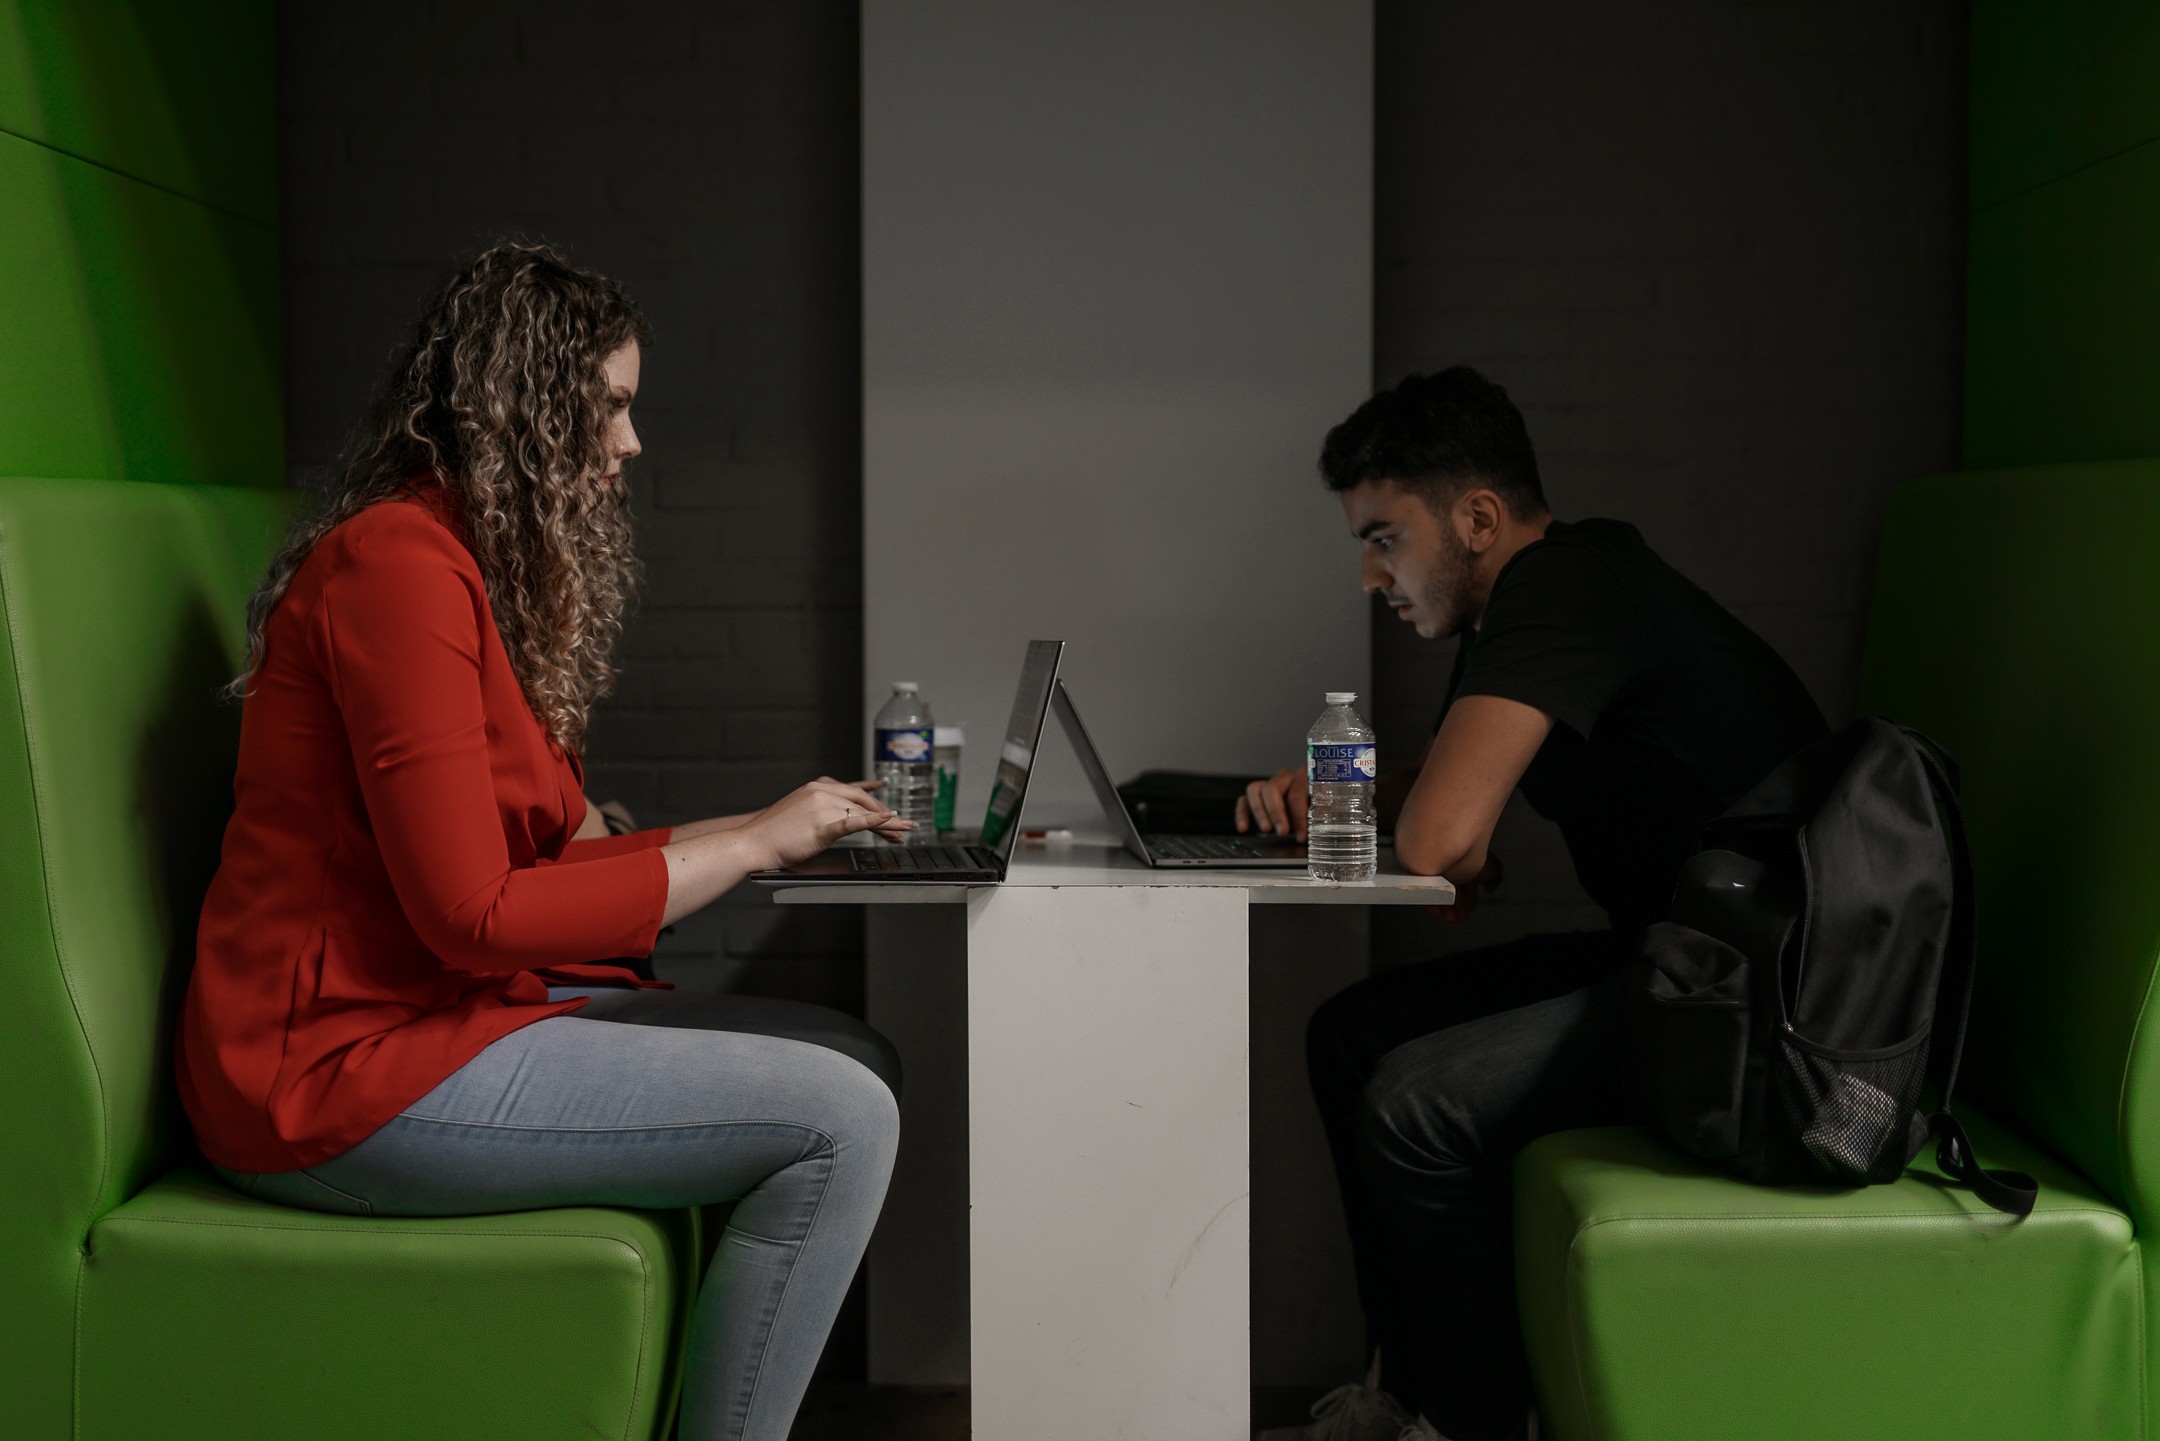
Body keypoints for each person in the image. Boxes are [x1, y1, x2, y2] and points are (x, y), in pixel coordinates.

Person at [176, 241, 907, 1441]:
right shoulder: (395, 570)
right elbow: (473, 915)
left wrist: (769, 828)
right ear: (528, 403)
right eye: (611, 406)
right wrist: (751, 847)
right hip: (328, 1077)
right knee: (844, 1115)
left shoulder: (447, 559)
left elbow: (528, 866)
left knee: (854, 1063)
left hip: (414, 1028)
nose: (628, 444)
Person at [1241, 368, 1828, 1441]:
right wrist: (1362, 791)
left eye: (1385, 538)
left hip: (1771, 1005)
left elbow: (1445, 842)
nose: (1373, 576)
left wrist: (1435, 827)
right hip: (1681, 963)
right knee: (1350, 1033)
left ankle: (1470, 1424)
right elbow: (1466, 837)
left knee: (1417, 1100)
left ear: (1476, 517)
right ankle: (1402, 1397)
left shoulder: (1562, 590)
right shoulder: (1544, 597)